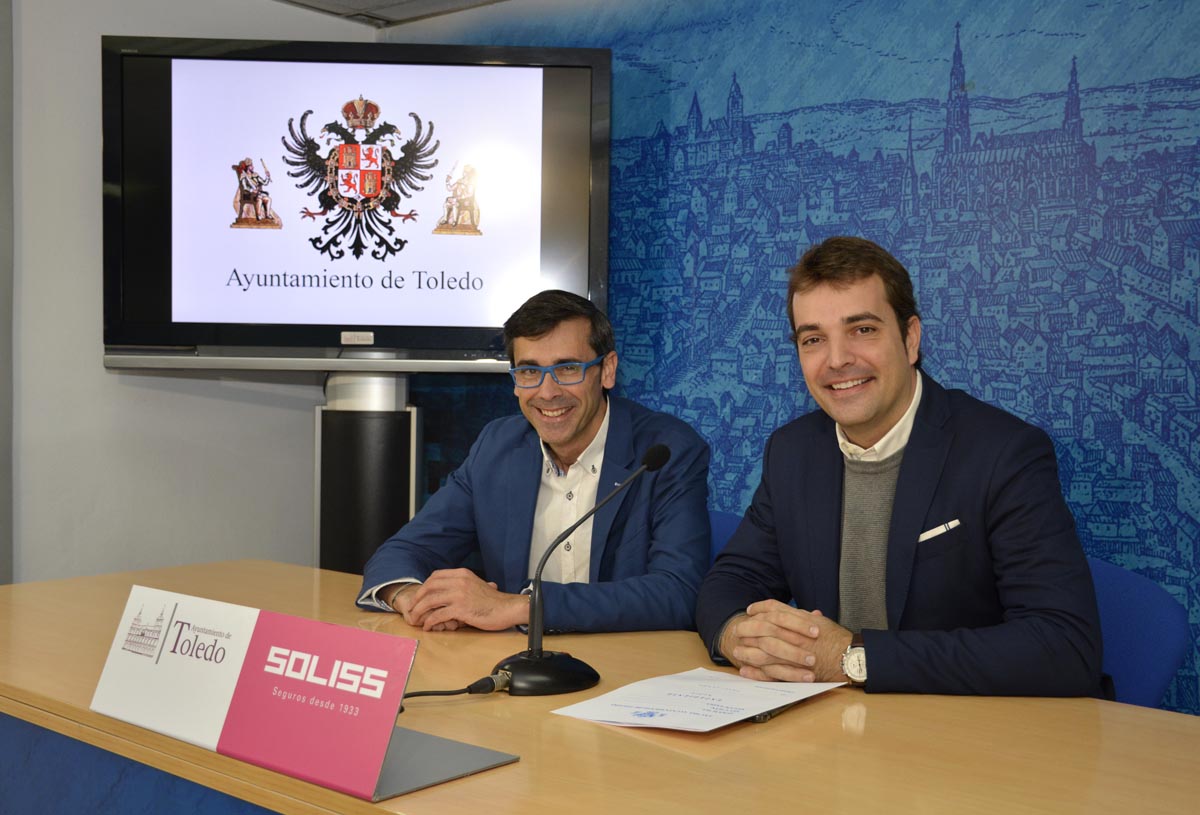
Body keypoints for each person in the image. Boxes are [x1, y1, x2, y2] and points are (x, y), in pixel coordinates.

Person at [695, 236, 1103, 696]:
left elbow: (1064, 645)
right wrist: (738, 637)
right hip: (838, 733)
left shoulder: (1003, 453)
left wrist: (853, 659)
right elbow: (730, 582)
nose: (837, 359)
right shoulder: (793, 451)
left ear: (910, 339)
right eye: (813, 339)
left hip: (972, 738)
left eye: (862, 330)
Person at [359, 289, 711, 633]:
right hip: (514, 667)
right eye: (529, 372)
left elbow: (679, 591)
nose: (547, 391)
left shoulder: (666, 451)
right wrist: (411, 597)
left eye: (568, 368)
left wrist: (519, 607)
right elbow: (406, 550)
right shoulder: (497, 447)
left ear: (607, 370)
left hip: (625, 668)